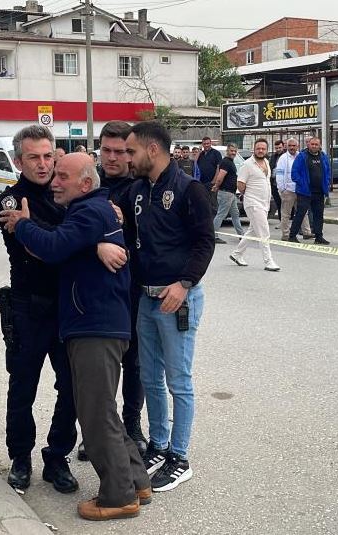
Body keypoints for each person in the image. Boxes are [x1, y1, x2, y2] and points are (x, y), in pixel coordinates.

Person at [2, 152, 151, 521]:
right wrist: (92, 247)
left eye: (62, 175)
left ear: (85, 183)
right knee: (102, 409)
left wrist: (22, 223)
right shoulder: (93, 210)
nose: (53, 179)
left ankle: (118, 496)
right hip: (95, 323)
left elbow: (52, 246)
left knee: (95, 413)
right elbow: (65, 243)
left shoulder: (89, 211)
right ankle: (136, 480)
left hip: (94, 326)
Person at [120, 121, 214, 493]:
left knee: (178, 380)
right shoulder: (138, 190)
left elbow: (205, 242)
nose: (127, 158)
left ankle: (180, 456)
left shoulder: (189, 189)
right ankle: (158, 446)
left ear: (152, 150)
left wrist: (184, 283)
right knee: (149, 378)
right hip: (146, 297)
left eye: (131, 152)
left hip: (178, 297)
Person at [0, 125, 79, 494]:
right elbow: (41, 249)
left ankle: (57, 457)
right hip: (29, 306)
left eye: (48, 156)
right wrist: (55, 235)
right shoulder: (10, 201)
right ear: (18, 160)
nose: (43, 165)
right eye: (34, 157)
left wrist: (43, 231)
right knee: (23, 387)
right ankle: (20, 457)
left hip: (66, 305)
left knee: (72, 386)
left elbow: (64, 241)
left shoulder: (66, 191)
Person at [77, 120, 149, 462]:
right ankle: (95, 433)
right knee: (97, 373)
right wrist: (97, 241)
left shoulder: (140, 188)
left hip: (133, 290)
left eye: (120, 152)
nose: (112, 158)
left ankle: (132, 428)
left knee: (135, 364)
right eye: (106, 150)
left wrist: (126, 222)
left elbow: (154, 238)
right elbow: (70, 231)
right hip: (95, 295)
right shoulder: (88, 184)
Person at [229, 139, 280, 272]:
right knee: (264, 233)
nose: (260, 150)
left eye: (263, 148)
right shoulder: (247, 165)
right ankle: (269, 261)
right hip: (253, 203)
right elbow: (240, 185)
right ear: (254, 149)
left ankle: (237, 254)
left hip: (264, 203)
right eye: (258, 148)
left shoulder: (266, 162)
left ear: (266, 150)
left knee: (252, 231)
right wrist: (249, 195)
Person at [288, 137, 331, 245]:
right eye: (312, 144)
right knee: (300, 214)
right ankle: (292, 236)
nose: (314, 146)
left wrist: (327, 182)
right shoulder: (302, 156)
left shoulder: (323, 157)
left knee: (318, 215)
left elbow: (328, 171)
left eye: (316, 144)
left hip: (319, 192)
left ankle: (319, 237)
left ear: (319, 145)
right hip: (305, 192)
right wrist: (302, 183)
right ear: (308, 145)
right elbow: (294, 173)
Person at [275, 138, 312, 241]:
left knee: (303, 212)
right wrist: (282, 189)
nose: (292, 147)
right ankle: (286, 234)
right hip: (288, 191)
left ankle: (306, 232)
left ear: (297, 146)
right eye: (290, 145)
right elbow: (279, 174)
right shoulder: (283, 158)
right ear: (287, 146)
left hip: (300, 190)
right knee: (286, 214)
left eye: (294, 146)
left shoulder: (302, 157)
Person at [211, 143, 244, 244]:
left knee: (235, 214)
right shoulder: (226, 162)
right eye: (231, 151)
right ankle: (213, 236)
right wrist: (216, 186)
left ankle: (241, 235)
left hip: (231, 193)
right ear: (227, 151)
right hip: (226, 193)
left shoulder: (230, 162)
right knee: (221, 214)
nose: (233, 153)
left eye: (235, 151)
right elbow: (220, 177)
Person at [196, 137, 222, 212]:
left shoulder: (216, 153)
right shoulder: (201, 154)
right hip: (201, 183)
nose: (206, 145)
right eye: (204, 144)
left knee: (213, 204)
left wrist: (214, 181)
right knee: (202, 204)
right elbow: (194, 163)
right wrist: (199, 151)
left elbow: (218, 167)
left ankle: (214, 223)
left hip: (211, 183)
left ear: (210, 143)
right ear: (202, 144)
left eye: (208, 143)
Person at [268, 139, 285, 219]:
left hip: (284, 183)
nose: (278, 149)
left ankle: (287, 220)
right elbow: (270, 167)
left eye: (280, 147)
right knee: (278, 203)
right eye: (277, 148)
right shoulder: (273, 157)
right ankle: (281, 220)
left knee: (285, 203)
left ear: (283, 147)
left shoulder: (286, 156)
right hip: (274, 183)